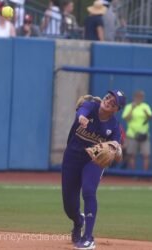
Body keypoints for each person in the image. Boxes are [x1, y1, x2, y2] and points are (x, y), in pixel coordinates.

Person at [62, 90, 126, 250]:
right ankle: (78, 221)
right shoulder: (90, 106)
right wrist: (81, 117)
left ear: (116, 110)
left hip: (93, 161)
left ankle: (88, 237)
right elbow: (82, 111)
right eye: (109, 97)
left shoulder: (114, 127)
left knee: (89, 191)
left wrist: (115, 148)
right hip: (72, 157)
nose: (110, 101)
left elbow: (117, 147)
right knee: (69, 206)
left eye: (114, 102)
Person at [122, 90, 152, 170]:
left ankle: (144, 174)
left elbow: (151, 117)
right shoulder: (129, 106)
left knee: (146, 155)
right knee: (132, 155)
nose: (139, 99)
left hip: (144, 135)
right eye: (138, 97)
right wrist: (132, 109)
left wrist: (146, 113)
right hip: (132, 135)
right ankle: (133, 173)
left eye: (141, 97)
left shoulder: (145, 106)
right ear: (134, 97)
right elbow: (125, 118)